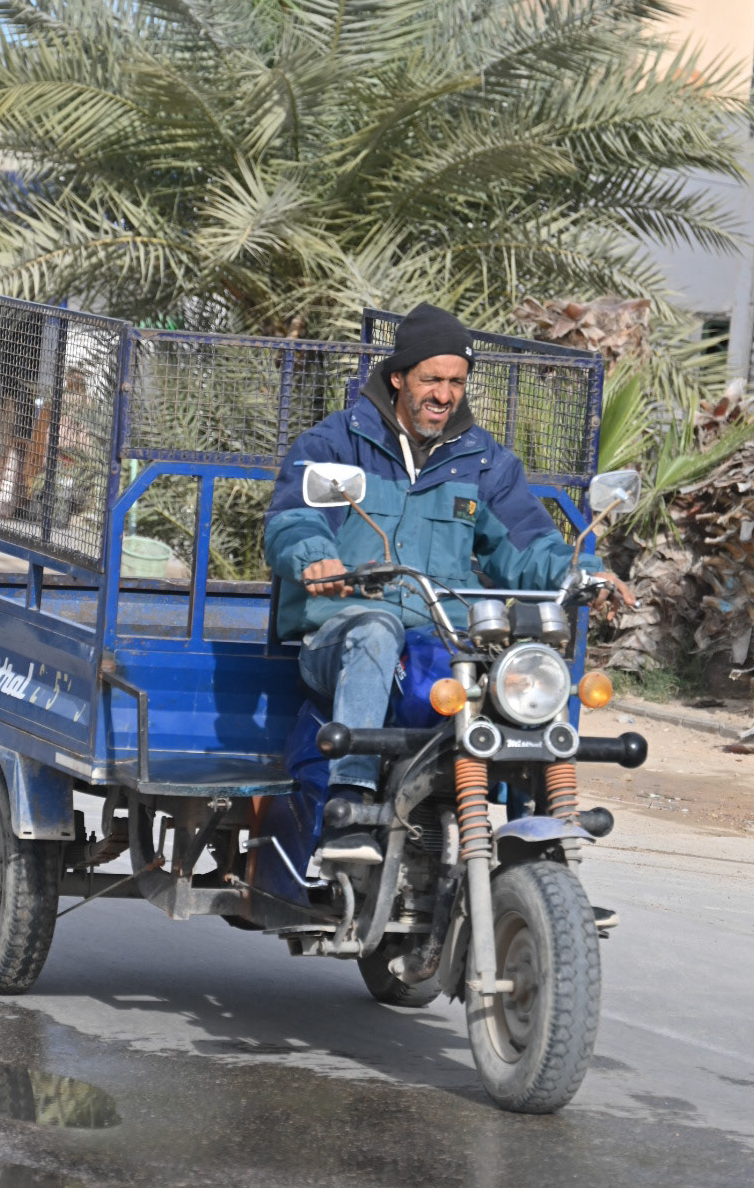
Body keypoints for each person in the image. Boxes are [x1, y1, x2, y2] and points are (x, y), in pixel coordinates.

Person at [264, 304, 632, 859]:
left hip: (441, 638)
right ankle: (350, 806)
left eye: (456, 381)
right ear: (398, 377)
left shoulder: (483, 461)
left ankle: (538, 808)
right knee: (376, 628)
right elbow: (294, 518)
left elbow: (527, 544)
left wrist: (581, 572)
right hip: (339, 637)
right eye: (431, 379)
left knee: (515, 655)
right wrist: (316, 559)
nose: (444, 394)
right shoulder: (337, 443)